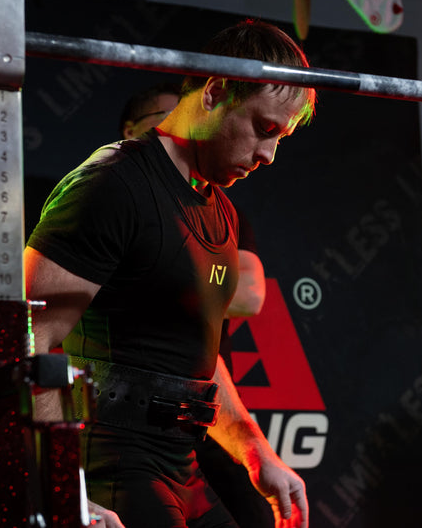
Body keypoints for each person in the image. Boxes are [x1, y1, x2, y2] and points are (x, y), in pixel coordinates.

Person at [24, 19, 316, 528]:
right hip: (114, 463)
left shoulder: (220, 211)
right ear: (216, 92)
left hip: (183, 467)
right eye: (265, 129)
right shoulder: (114, 183)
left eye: (281, 138)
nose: (269, 155)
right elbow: (29, 339)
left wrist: (257, 454)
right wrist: (66, 488)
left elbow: (196, 362)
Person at [120, 83, 275, 528]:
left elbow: (248, 295)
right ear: (131, 130)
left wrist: (161, 281)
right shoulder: (106, 193)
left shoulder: (219, 211)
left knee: (259, 516)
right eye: (162, 120)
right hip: (129, 424)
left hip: (205, 405)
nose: (178, 131)